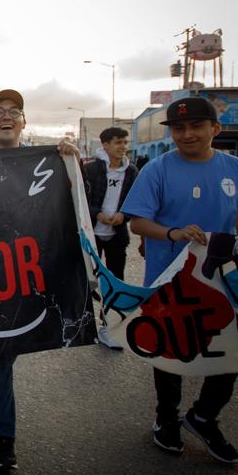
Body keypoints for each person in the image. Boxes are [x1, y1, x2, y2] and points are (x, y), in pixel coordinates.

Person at [122, 97, 238, 464]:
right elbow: (138, 222)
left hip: (226, 280)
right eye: (179, 128)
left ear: (215, 129)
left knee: (232, 349)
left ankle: (204, 417)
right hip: (170, 279)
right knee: (170, 351)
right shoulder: (157, 169)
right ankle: (166, 418)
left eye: (196, 126)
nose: (187, 134)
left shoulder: (236, 169)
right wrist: (174, 233)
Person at [0, 88, 80, 472]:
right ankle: (2, 439)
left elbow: (72, 209)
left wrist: (69, 162)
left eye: (14, 111)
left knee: (6, 351)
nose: (6, 116)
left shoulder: (47, 161)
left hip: (30, 271)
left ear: (23, 123)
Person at [82, 126, 138, 349]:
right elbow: (81, 198)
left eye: (125, 142)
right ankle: (83, 326)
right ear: (105, 145)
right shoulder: (92, 169)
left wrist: (124, 216)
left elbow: (135, 201)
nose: (122, 147)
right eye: (117, 142)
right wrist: (98, 214)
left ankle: (109, 328)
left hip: (116, 235)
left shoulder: (131, 171)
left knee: (115, 282)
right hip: (91, 234)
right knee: (87, 281)